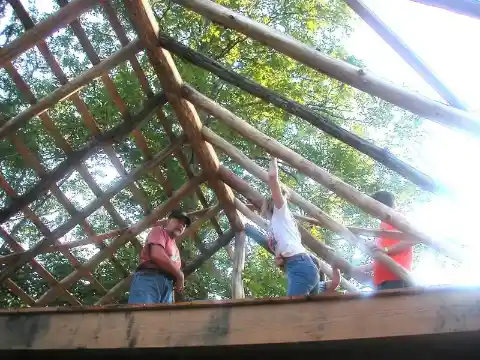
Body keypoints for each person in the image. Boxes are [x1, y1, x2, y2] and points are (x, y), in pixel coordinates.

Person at [262, 157, 324, 296]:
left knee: (292, 313)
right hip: (298, 267)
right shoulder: (276, 224)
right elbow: (286, 250)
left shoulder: (281, 213)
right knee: (305, 315)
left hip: (301, 267)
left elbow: (272, 178)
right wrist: (280, 261)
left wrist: (273, 157)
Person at [353, 190, 414, 291]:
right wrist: (367, 267)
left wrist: (385, 249)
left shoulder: (399, 219)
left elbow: (414, 239)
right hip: (382, 281)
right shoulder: (384, 226)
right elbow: (385, 254)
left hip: (396, 278)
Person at [128, 210, 191, 304]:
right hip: (149, 279)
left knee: (162, 318)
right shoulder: (159, 231)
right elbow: (157, 255)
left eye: (184, 225)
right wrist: (180, 275)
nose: (181, 225)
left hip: (167, 287)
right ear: (168, 221)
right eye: (178, 221)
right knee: (142, 316)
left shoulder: (176, 249)